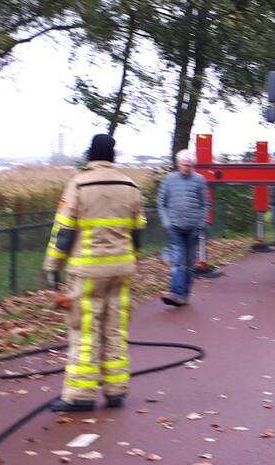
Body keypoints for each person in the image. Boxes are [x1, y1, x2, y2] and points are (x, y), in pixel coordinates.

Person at [42, 134, 146, 413]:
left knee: (86, 332)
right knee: (115, 329)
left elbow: (64, 232)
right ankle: (115, 390)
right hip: (122, 270)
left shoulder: (79, 184)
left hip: (87, 271)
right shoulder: (131, 185)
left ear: (90, 154)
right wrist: (134, 259)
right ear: (113, 155)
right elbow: (138, 231)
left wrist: (52, 266)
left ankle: (81, 394)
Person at [157, 148, 208, 306]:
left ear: (193, 165)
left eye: (189, 165)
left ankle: (185, 294)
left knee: (190, 263)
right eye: (184, 164)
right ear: (178, 164)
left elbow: (205, 204)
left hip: (193, 228)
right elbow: (161, 203)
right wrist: (166, 222)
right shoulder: (169, 180)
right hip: (175, 227)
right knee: (178, 260)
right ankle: (176, 293)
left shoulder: (199, 180)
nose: (186, 167)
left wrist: (201, 223)